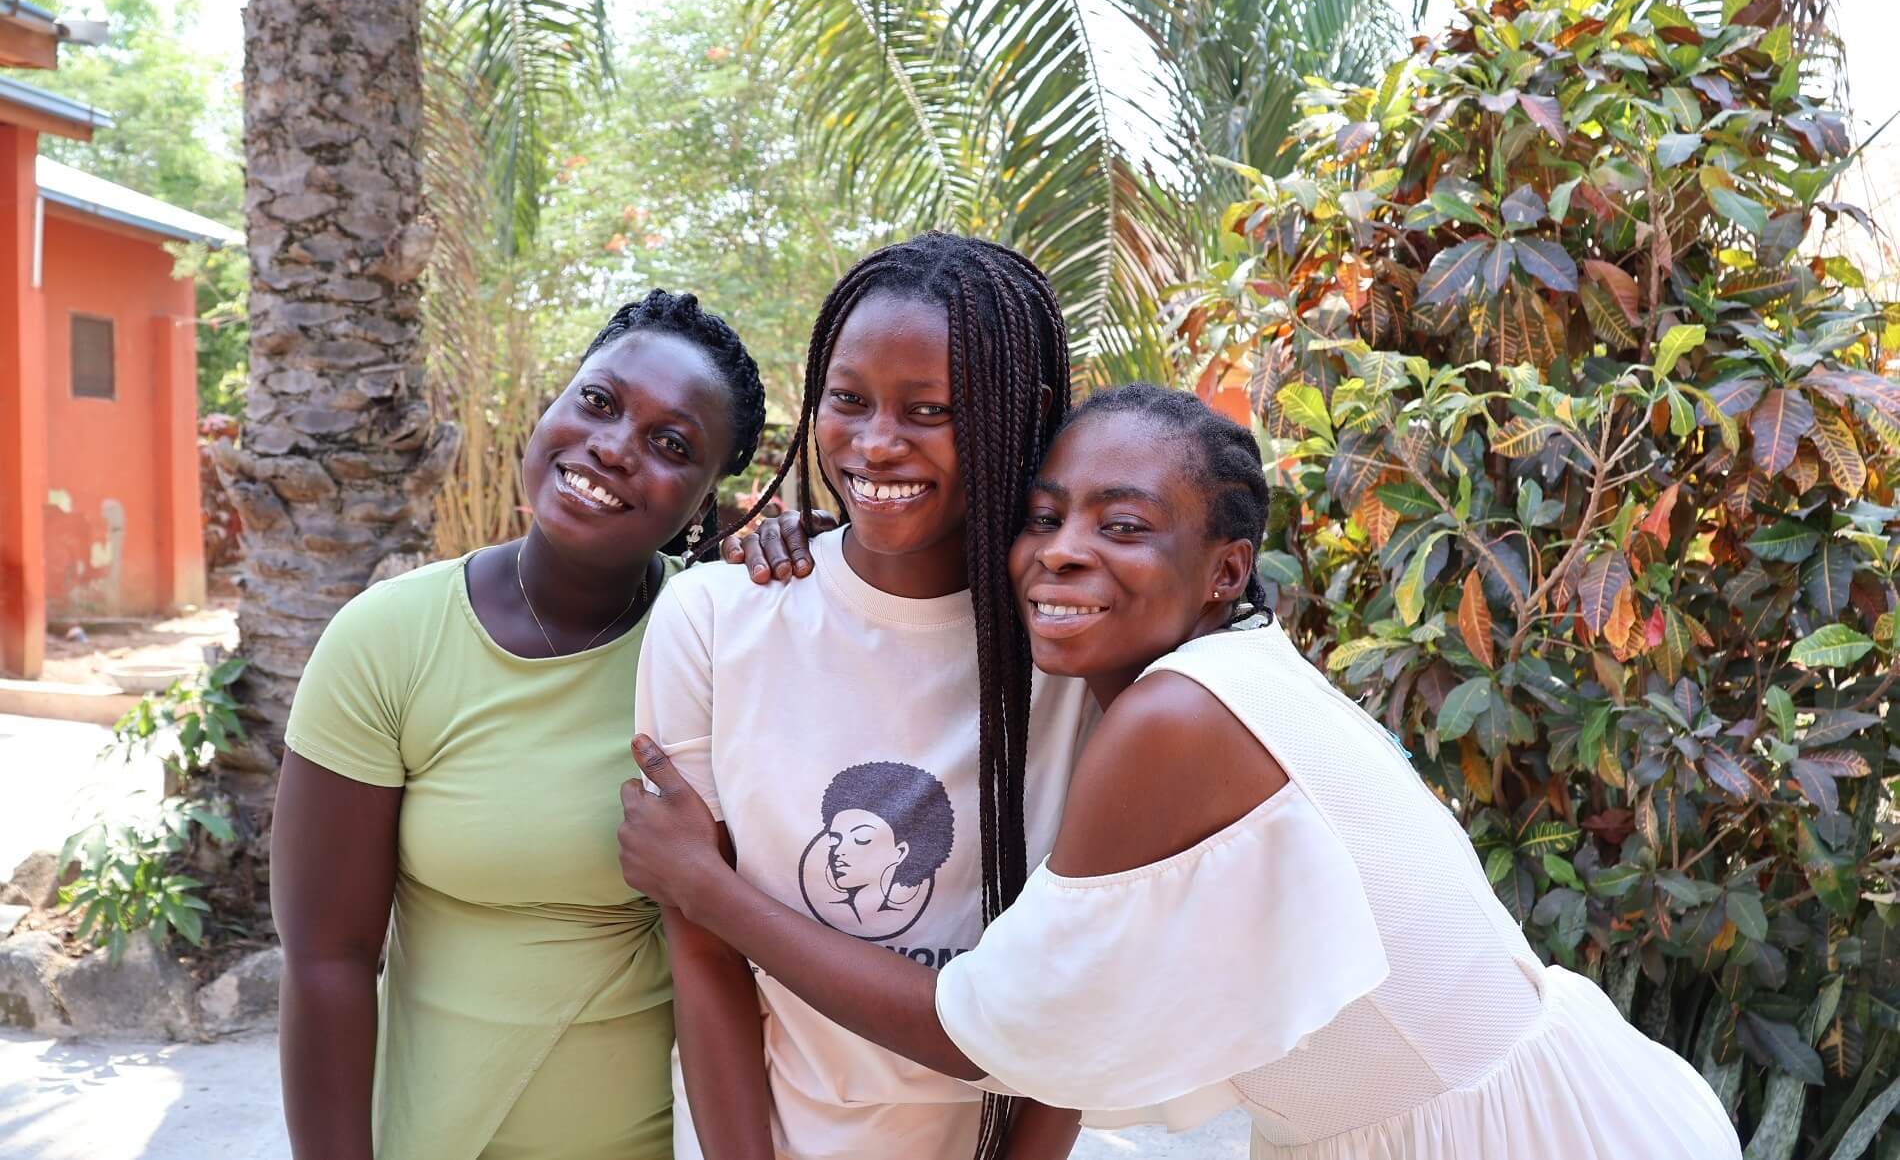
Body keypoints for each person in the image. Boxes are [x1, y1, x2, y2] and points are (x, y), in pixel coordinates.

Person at [619, 383, 1745, 1160]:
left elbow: (980, 1031)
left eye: (1123, 525)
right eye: (1043, 516)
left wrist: (707, 888)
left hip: (1504, 1134)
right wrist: (833, 547)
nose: (1062, 550)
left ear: (1224, 570)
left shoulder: (1176, 718)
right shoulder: (1226, 669)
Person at [271, 290, 769, 1160]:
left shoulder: (724, 646)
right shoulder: (387, 639)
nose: (613, 447)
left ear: (704, 504)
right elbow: (328, 964)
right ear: (552, 405)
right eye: (599, 402)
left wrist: (810, 562)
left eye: (671, 444)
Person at [631, 231, 1098, 1160]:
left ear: (1025, 412)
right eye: (847, 400)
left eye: (931, 410)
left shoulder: (1077, 652)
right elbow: (704, 948)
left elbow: (1081, 996)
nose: (876, 443)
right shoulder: (713, 618)